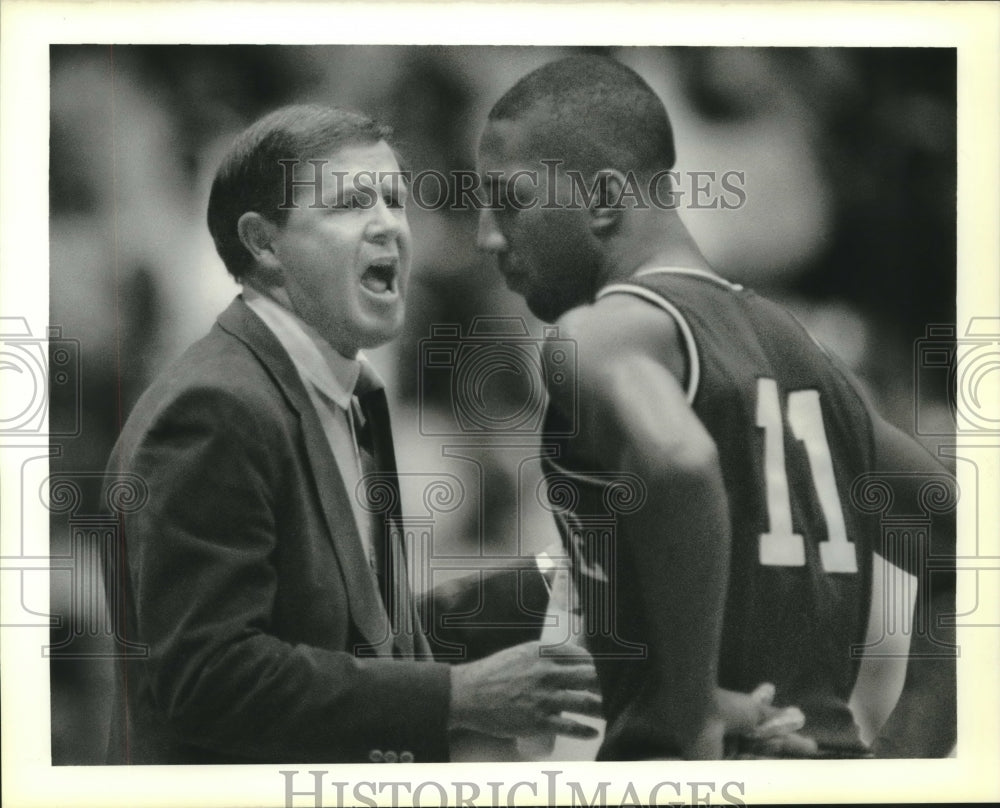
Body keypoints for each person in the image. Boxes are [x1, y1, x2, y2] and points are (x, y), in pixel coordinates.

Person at [475, 55, 956, 760]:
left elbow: (682, 461)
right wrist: (901, 764)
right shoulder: (805, 354)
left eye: (508, 200)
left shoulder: (601, 334)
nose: (487, 235)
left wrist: (690, 700)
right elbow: (968, 544)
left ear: (604, 198)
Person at [102, 104, 607, 764]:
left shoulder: (347, 394)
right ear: (262, 242)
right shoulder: (215, 407)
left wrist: (554, 580)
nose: (391, 227)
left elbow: (359, 641)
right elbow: (208, 681)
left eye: (396, 200)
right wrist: (454, 695)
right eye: (351, 203)